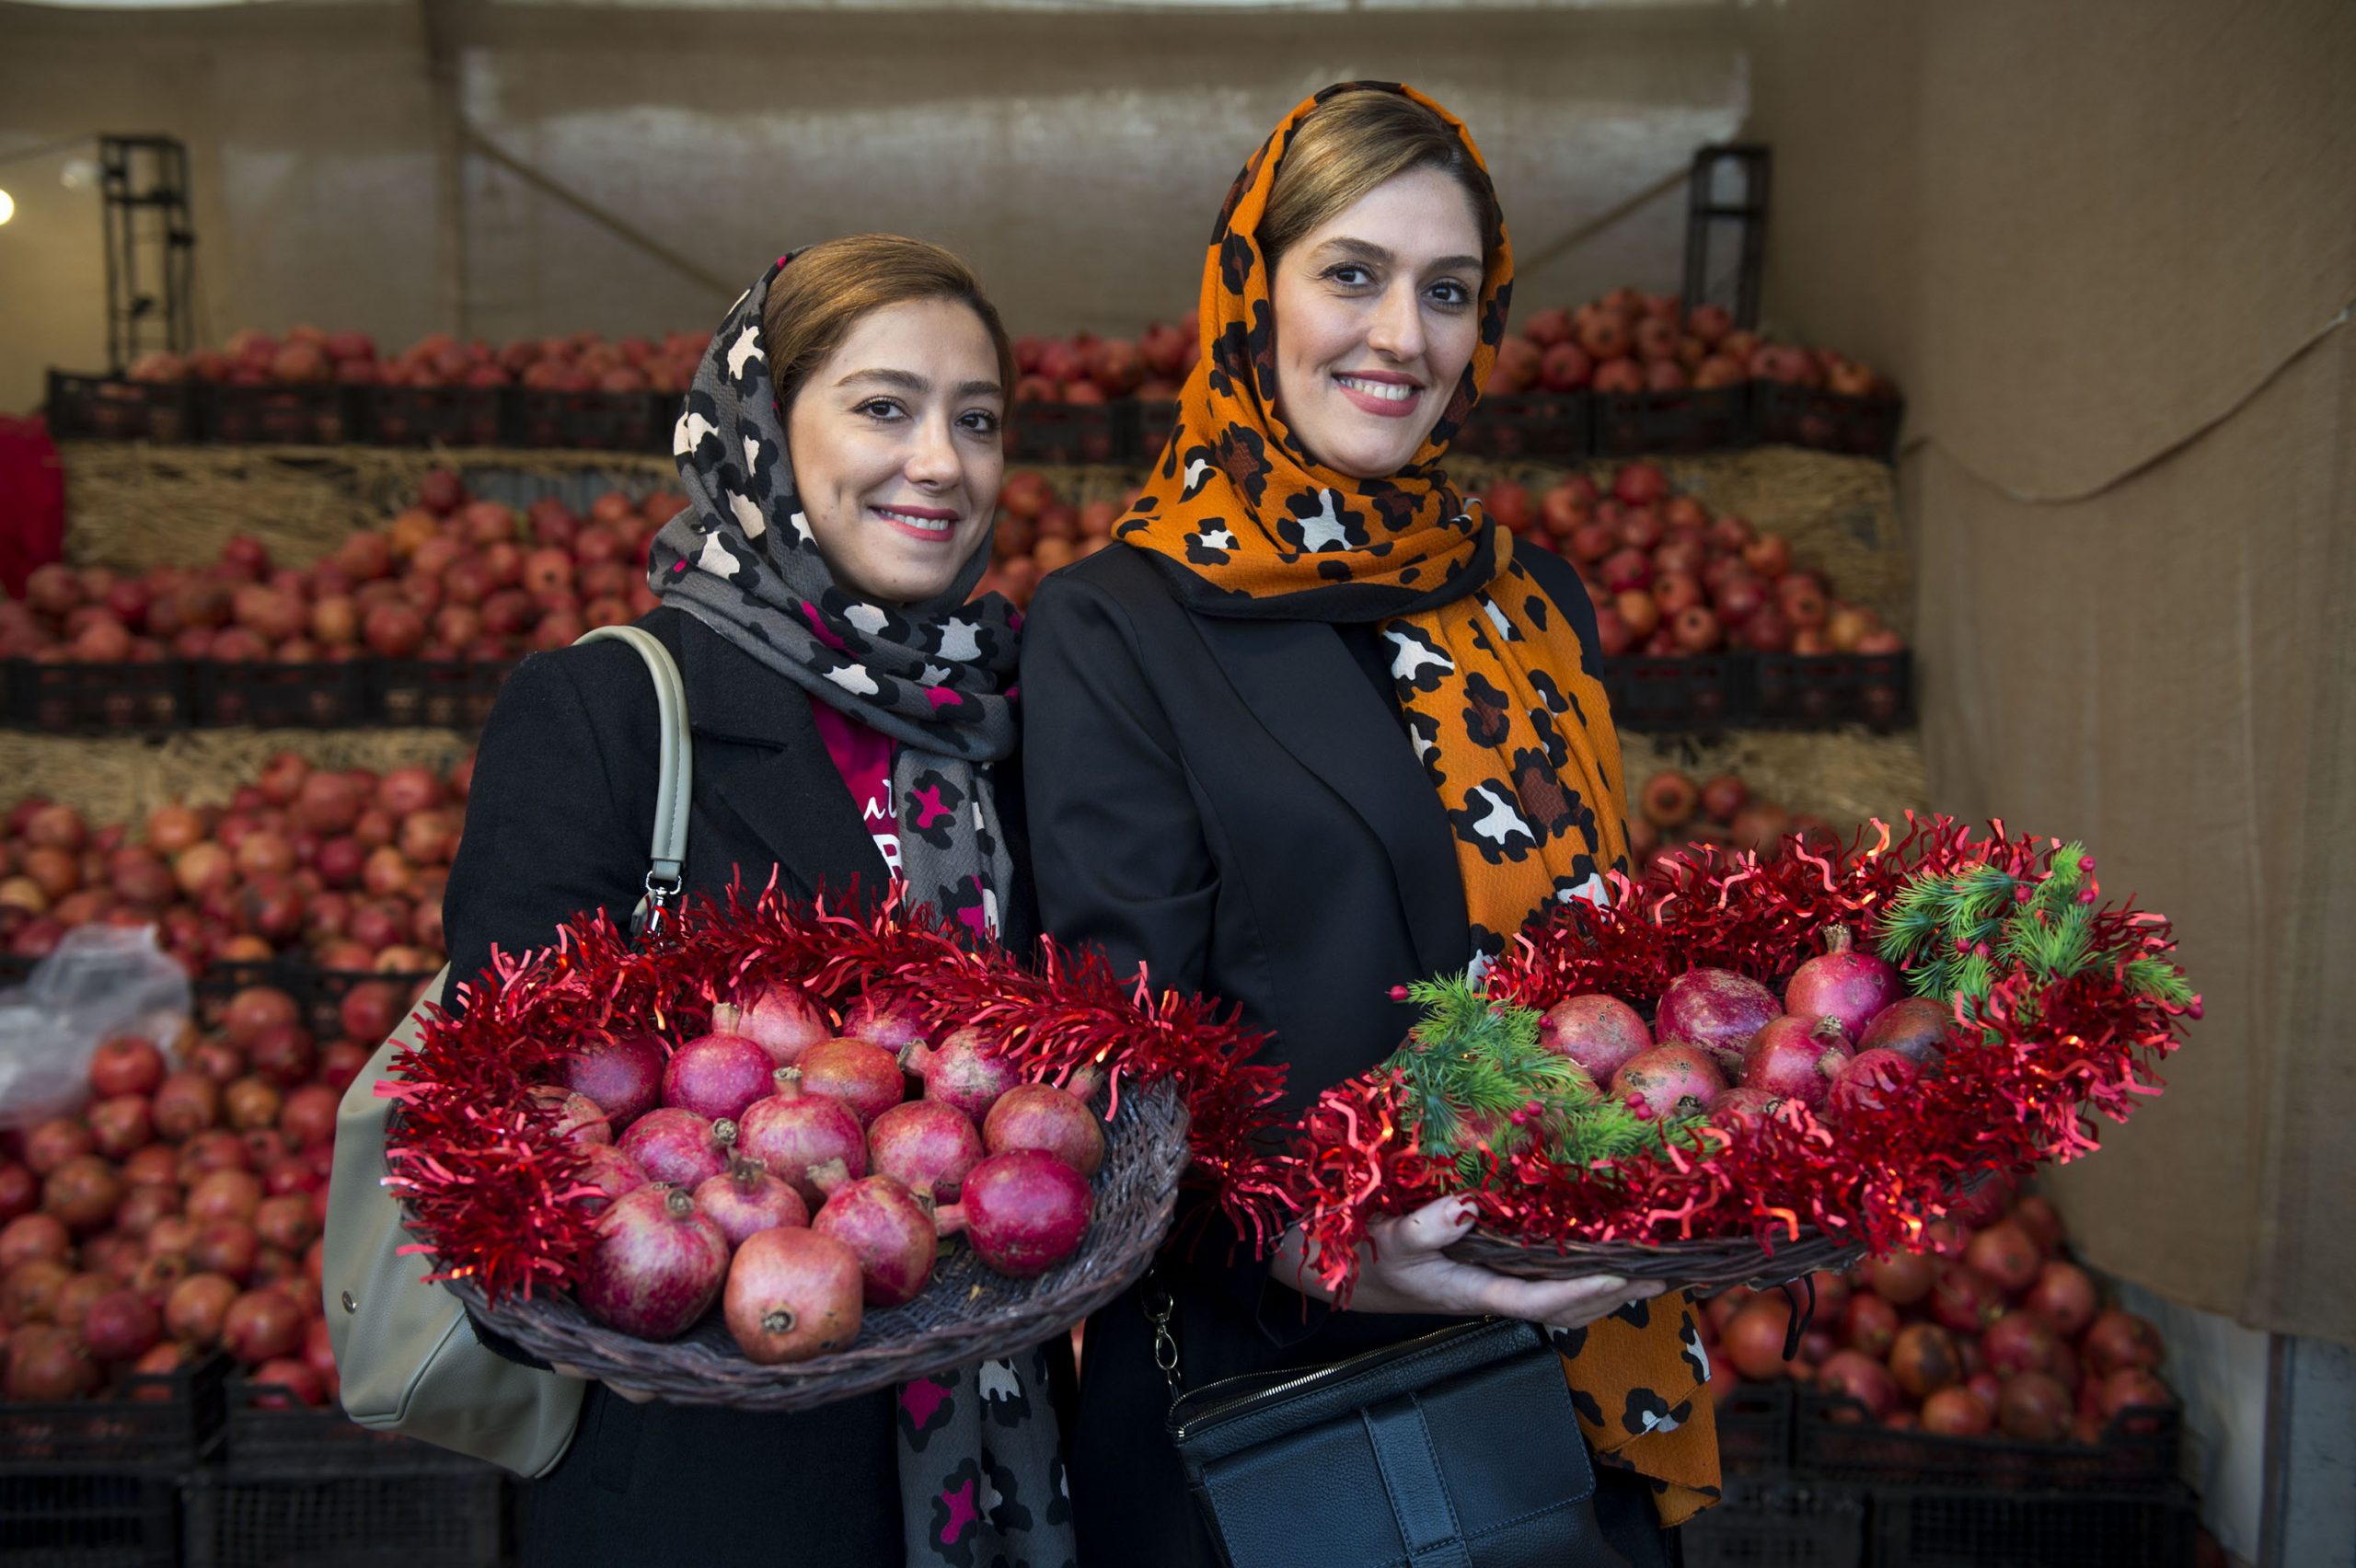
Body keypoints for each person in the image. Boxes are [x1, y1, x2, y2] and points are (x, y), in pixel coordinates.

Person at [1021, 84, 1720, 1567]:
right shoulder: (1121, 624)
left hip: (1581, 1365)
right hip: (1294, 1403)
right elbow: (1127, 1048)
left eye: (1448, 291)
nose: (1402, 335)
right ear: (1249, 291)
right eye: (1352, 273)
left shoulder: (1537, 603)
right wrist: (1318, 1241)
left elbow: (1612, 968)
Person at [441, 236, 1075, 1568]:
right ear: (760, 434)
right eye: (883, 407)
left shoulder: (1016, 728)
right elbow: (489, 1129)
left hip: (1012, 1450)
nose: (943, 463)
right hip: (714, 1489)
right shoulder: (610, 711)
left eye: (977, 419)